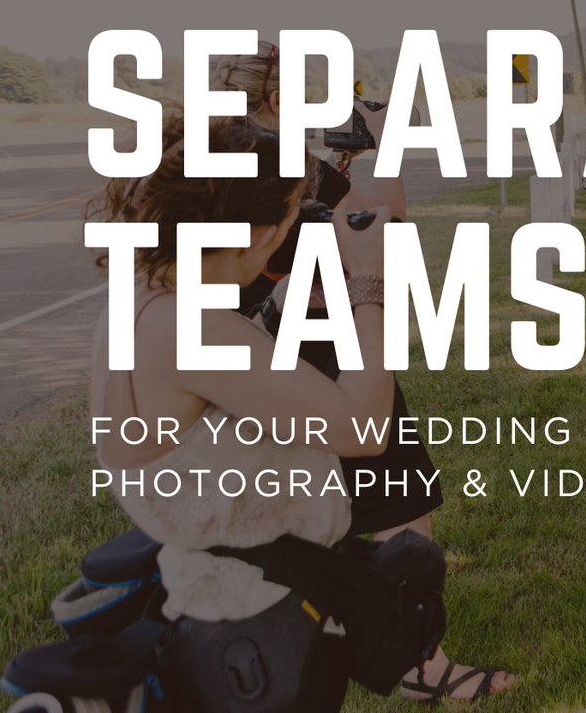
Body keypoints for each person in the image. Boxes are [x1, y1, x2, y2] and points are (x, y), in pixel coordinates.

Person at [208, 44, 509, 699]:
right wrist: (387, 137)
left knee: (304, 513)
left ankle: (293, 646)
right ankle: (422, 664)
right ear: (276, 93)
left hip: (236, 352)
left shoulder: (221, 156)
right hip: (306, 343)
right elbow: (381, 222)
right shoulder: (278, 157)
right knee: (400, 498)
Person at [89, 114, 393, 624]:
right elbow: (364, 428)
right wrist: (369, 281)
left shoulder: (147, 291)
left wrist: (271, 312)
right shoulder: (190, 328)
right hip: (255, 614)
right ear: (260, 236)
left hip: (230, 584)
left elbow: (208, 393)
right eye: (297, 213)